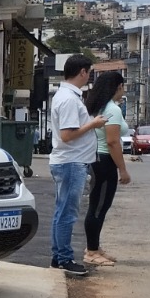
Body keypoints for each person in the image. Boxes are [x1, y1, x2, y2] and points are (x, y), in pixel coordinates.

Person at [49, 54, 106, 276]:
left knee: (61, 211)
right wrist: (93, 123)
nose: (88, 76)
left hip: (69, 160)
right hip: (71, 161)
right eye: (89, 72)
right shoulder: (69, 99)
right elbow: (67, 135)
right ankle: (64, 258)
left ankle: (58, 256)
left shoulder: (67, 96)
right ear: (82, 72)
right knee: (67, 213)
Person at [82, 69, 130, 266]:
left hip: (95, 159)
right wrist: (123, 169)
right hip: (104, 161)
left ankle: (94, 247)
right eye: (123, 87)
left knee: (97, 204)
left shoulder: (96, 106)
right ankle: (91, 252)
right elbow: (113, 142)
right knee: (99, 206)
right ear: (118, 87)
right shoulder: (113, 109)